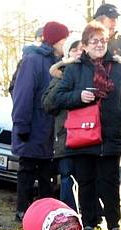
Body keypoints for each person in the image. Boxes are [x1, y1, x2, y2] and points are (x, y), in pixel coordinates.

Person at [48, 21, 121, 230]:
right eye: (94, 41)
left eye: (103, 40)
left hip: (111, 135)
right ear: (85, 45)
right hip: (83, 136)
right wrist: (79, 97)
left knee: (110, 182)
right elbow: (58, 98)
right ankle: (88, 224)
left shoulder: (117, 67)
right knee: (86, 182)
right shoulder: (75, 68)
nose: (99, 44)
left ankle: (114, 224)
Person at [10, 21, 68, 221]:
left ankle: (45, 213)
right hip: (33, 124)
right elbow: (22, 94)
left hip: (48, 127)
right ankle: (23, 210)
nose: (65, 44)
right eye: (63, 40)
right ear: (55, 40)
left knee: (46, 172)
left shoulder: (59, 61)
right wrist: (22, 125)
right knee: (27, 169)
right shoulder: (33, 60)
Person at [43, 39, 83, 212]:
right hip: (65, 137)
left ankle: (94, 217)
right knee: (67, 177)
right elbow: (48, 104)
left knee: (88, 177)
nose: (79, 52)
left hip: (89, 135)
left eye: (82, 48)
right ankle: (69, 215)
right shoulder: (59, 75)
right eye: (75, 49)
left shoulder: (94, 72)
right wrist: (65, 78)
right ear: (68, 54)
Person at [93, 3, 121, 85]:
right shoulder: (87, 44)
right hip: (94, 95)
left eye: (116, 19)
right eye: (112, 20)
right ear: (99, 21)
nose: (115, 23)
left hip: (120, 95)